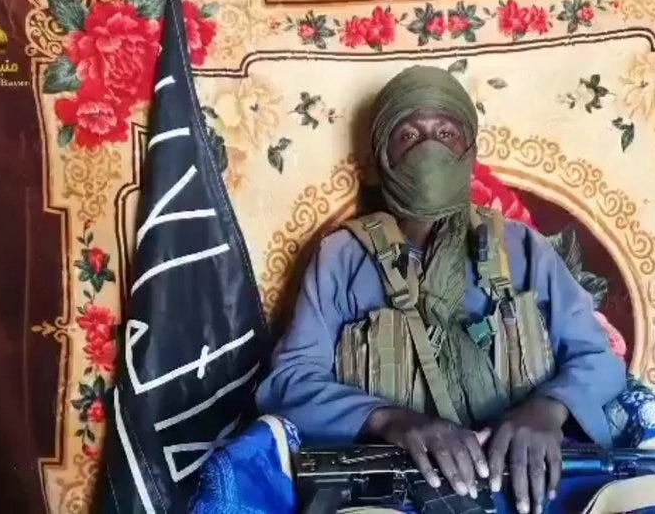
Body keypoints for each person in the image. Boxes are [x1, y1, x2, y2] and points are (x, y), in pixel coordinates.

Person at [255, 65, 627, 514]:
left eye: (447, 133)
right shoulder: (342, 258)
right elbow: (289, 383)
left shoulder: (523, 248)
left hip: (525, 485)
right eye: (409, 136)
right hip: (395, 491)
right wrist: (392, 419)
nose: (429, 148)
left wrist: (548, 410)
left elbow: (598, 359)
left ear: (469, 151)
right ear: (382, 156)